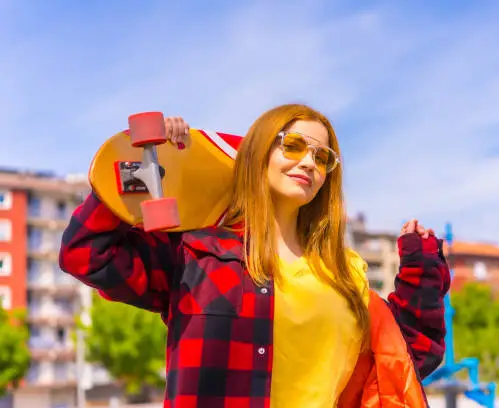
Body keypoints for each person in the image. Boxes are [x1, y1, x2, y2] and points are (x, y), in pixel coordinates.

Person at [59, 103, 450, 408]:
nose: (308, 163)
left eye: (322, 157)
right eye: (293, 146)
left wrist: (422, 268)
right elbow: (87, 253)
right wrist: (150, 169)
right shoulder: (198, 254)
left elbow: (405, 359)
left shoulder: (345, 274)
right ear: (260, 152)